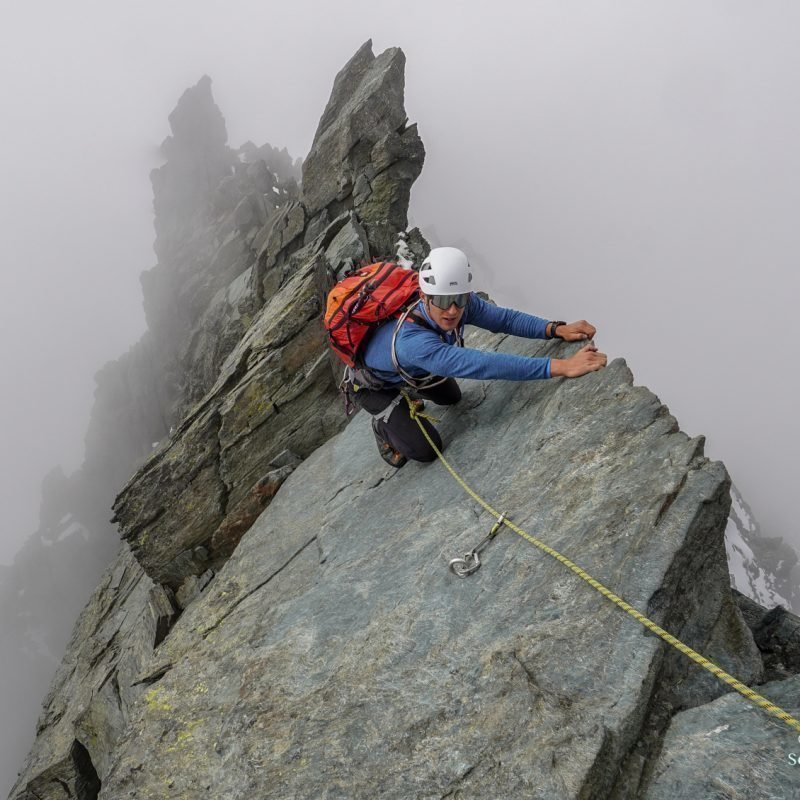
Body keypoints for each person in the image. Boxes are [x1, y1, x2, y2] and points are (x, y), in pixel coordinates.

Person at [354, 247, 607, 467]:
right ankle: (383, 424)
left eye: (459, 299)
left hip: (412, 368)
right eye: (442, 300)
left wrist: (555, 329)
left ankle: (408, 388)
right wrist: (563, 366)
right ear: (424, 297)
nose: (452, 310)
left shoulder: (459, 303)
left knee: (452, 397)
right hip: (374, 385)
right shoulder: (413, 343)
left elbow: (504, 319)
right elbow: (482, 364)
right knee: (427, 450)